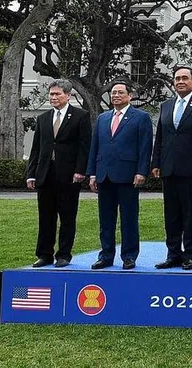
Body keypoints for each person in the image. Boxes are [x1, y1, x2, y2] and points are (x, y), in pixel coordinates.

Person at [150, 66, 192, 271]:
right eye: (177, 78)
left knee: (190, 215)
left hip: (191, 169)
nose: (180, 81)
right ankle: (173, 254)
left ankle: (189, 255)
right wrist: (156, 162)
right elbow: (160, 136)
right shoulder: (167, 105)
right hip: (168, 168)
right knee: (171, 215)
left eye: (185, 78)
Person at [86, 81, 153, 270]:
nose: (115, 95)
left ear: (130, 96)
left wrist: (142, 171)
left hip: (128, 176)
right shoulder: (102, 118)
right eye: (113, 92)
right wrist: (92, 174)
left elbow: (145, 147)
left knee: (129, 219)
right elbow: (95, 147)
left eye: (120, 92)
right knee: (106, 220)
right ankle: (106, 255)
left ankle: (129, 256)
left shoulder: (141, 118)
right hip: (104, 176)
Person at [26, 79, 92, 268]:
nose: (53, 97)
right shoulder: (43, 118)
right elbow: (36, 148)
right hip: (45, 174)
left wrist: (80, 171)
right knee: (45, 217)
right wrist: (31, 174)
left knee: (67, 216)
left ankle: (63, 254)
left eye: (57, 94)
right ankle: (44, 254)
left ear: (68, 95)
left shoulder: (80, 116)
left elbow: (84, 146)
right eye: (51, 94)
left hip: (69, 175)